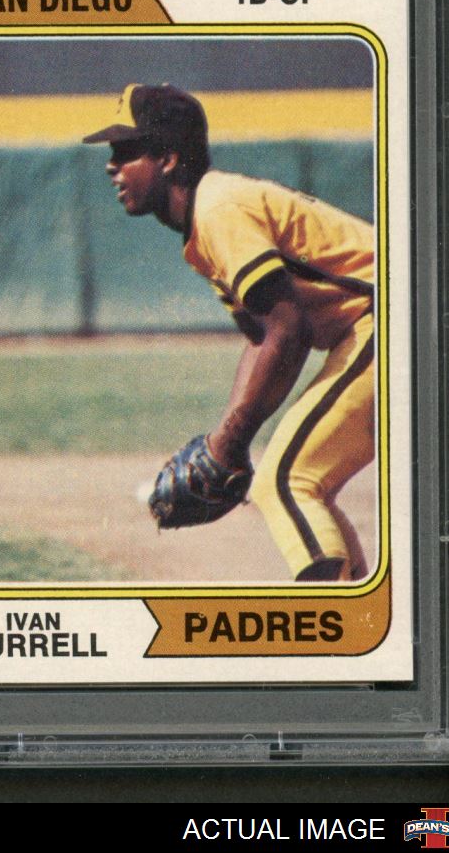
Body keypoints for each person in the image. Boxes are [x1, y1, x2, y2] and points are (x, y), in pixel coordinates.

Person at [83, 83, 375, 583]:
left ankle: (332, 617)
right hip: (383, 323)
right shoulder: (204, 223)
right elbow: (261, 338)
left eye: (126, 151)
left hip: (391, 316)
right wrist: (229, 442)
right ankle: (355, 609)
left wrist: (228, 443)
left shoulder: (218, 209)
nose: (112, 166)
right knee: (302, 485)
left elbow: (288, 331)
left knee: (287, 483)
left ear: (168, 159)